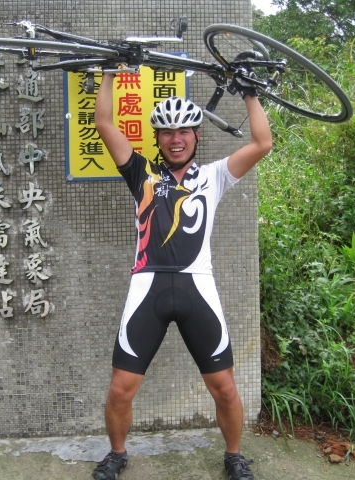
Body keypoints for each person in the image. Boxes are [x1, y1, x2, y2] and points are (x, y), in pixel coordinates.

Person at [92, 71, 272, 480]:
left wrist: (249, 93)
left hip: (197, 289)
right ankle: (117, 454)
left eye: (184, 132)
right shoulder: (141, 174)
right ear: (157, 139)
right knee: (120, 388)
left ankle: (234, 456)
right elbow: (104, 123)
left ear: (196, 136)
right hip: (147, 287)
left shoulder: (214, 176)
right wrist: (109, 74)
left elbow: (262, 143)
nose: (176, 139)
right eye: (168, 132)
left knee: (224, 388)